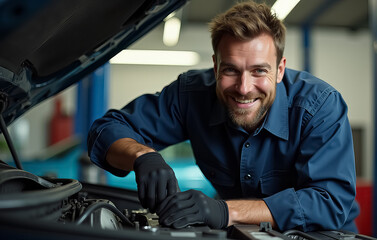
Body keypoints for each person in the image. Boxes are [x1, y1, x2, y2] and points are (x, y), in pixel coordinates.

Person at [87, 1, 359, 233]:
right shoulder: (191, 96)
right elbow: (107, 129)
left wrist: (225, 211)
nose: (243, 88)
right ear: (216, 66)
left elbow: (329, 202)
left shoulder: (319, 107)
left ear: (280, 70)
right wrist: (141, 155)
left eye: (259, 71)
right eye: (231, 70)